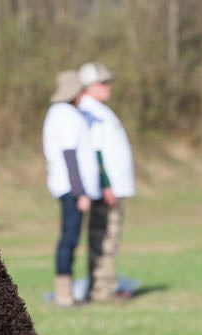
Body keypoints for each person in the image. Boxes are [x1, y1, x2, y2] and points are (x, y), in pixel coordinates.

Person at [42, 70, 101, 307]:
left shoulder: (62, 113)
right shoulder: (64, 114)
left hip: (70, 187)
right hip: (71, 188)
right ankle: (64, 294)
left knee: (70, 239)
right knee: (69, 239)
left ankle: (66, 292)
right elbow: (70, 155)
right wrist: (80, 192)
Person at [78, 62, 135, 303]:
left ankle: (104, 286)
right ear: (89, 86)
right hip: (107, 189)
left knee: (109, 238)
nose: (108, 86)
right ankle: (103, 290)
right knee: (104, 238)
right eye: (103, 83)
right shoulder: (90, 112)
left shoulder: (99, 110)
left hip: (114, 187)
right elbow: (96, 152)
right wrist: (105, 184)